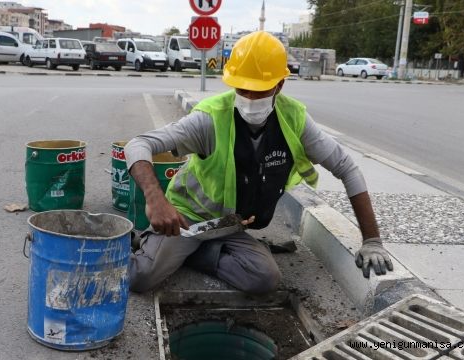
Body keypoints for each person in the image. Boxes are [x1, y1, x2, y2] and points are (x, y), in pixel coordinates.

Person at [124, 31, 393, 295]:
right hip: (187, 219)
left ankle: (195, 253)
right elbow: (139, 144)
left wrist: (372, 241)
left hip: (228, 225)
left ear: (279, 85)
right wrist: (156, 200)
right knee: (141, 278)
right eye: (243, 90)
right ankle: (148, 243)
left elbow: (347, 168)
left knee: (264, 278)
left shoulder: (294, 120)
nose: (250, 99)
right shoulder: (210, 118)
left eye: (260, 90)